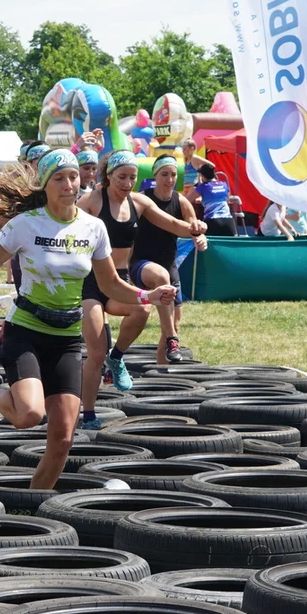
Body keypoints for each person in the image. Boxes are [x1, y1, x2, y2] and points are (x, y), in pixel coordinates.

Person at [0, 150, 176, 489]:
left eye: (73, 176)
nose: (69, 184)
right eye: (59, 178)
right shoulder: (25, 225)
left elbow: (109, 284)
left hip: (66, 338)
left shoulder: (93, 228)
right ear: (45, 185)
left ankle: (34, 507)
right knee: (28, 415)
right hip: (25, 333)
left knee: (62, 441)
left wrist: (146, 296)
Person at [78, 149, 207, 428]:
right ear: (109, 175)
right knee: (95, 352)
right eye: (121, 177)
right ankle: (88, 413)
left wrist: (196, 227)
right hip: (91, 282)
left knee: (142, 310)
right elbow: (67, 224)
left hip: (120, 279)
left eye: (132, 178)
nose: (127, 183)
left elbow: (175, 225)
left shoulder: (139, 203)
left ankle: (118, 357)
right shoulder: (92, 200)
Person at [129, 155, 208, 364]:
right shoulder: (142, 198)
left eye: (173, 175)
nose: (169, 179)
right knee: (158, 284)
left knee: (173, 324)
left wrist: (201, 238)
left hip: (169, 264)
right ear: (155, 175)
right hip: (142, 263)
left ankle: (162, 372)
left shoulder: (181, 201)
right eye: (164, 174)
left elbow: (194, 228)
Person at [186, 163, 236, 236]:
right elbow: (227, 200)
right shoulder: (224, 184)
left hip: (212, 221)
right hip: (229, 222)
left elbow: (187, 200)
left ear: (202, 175)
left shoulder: (203, 187)